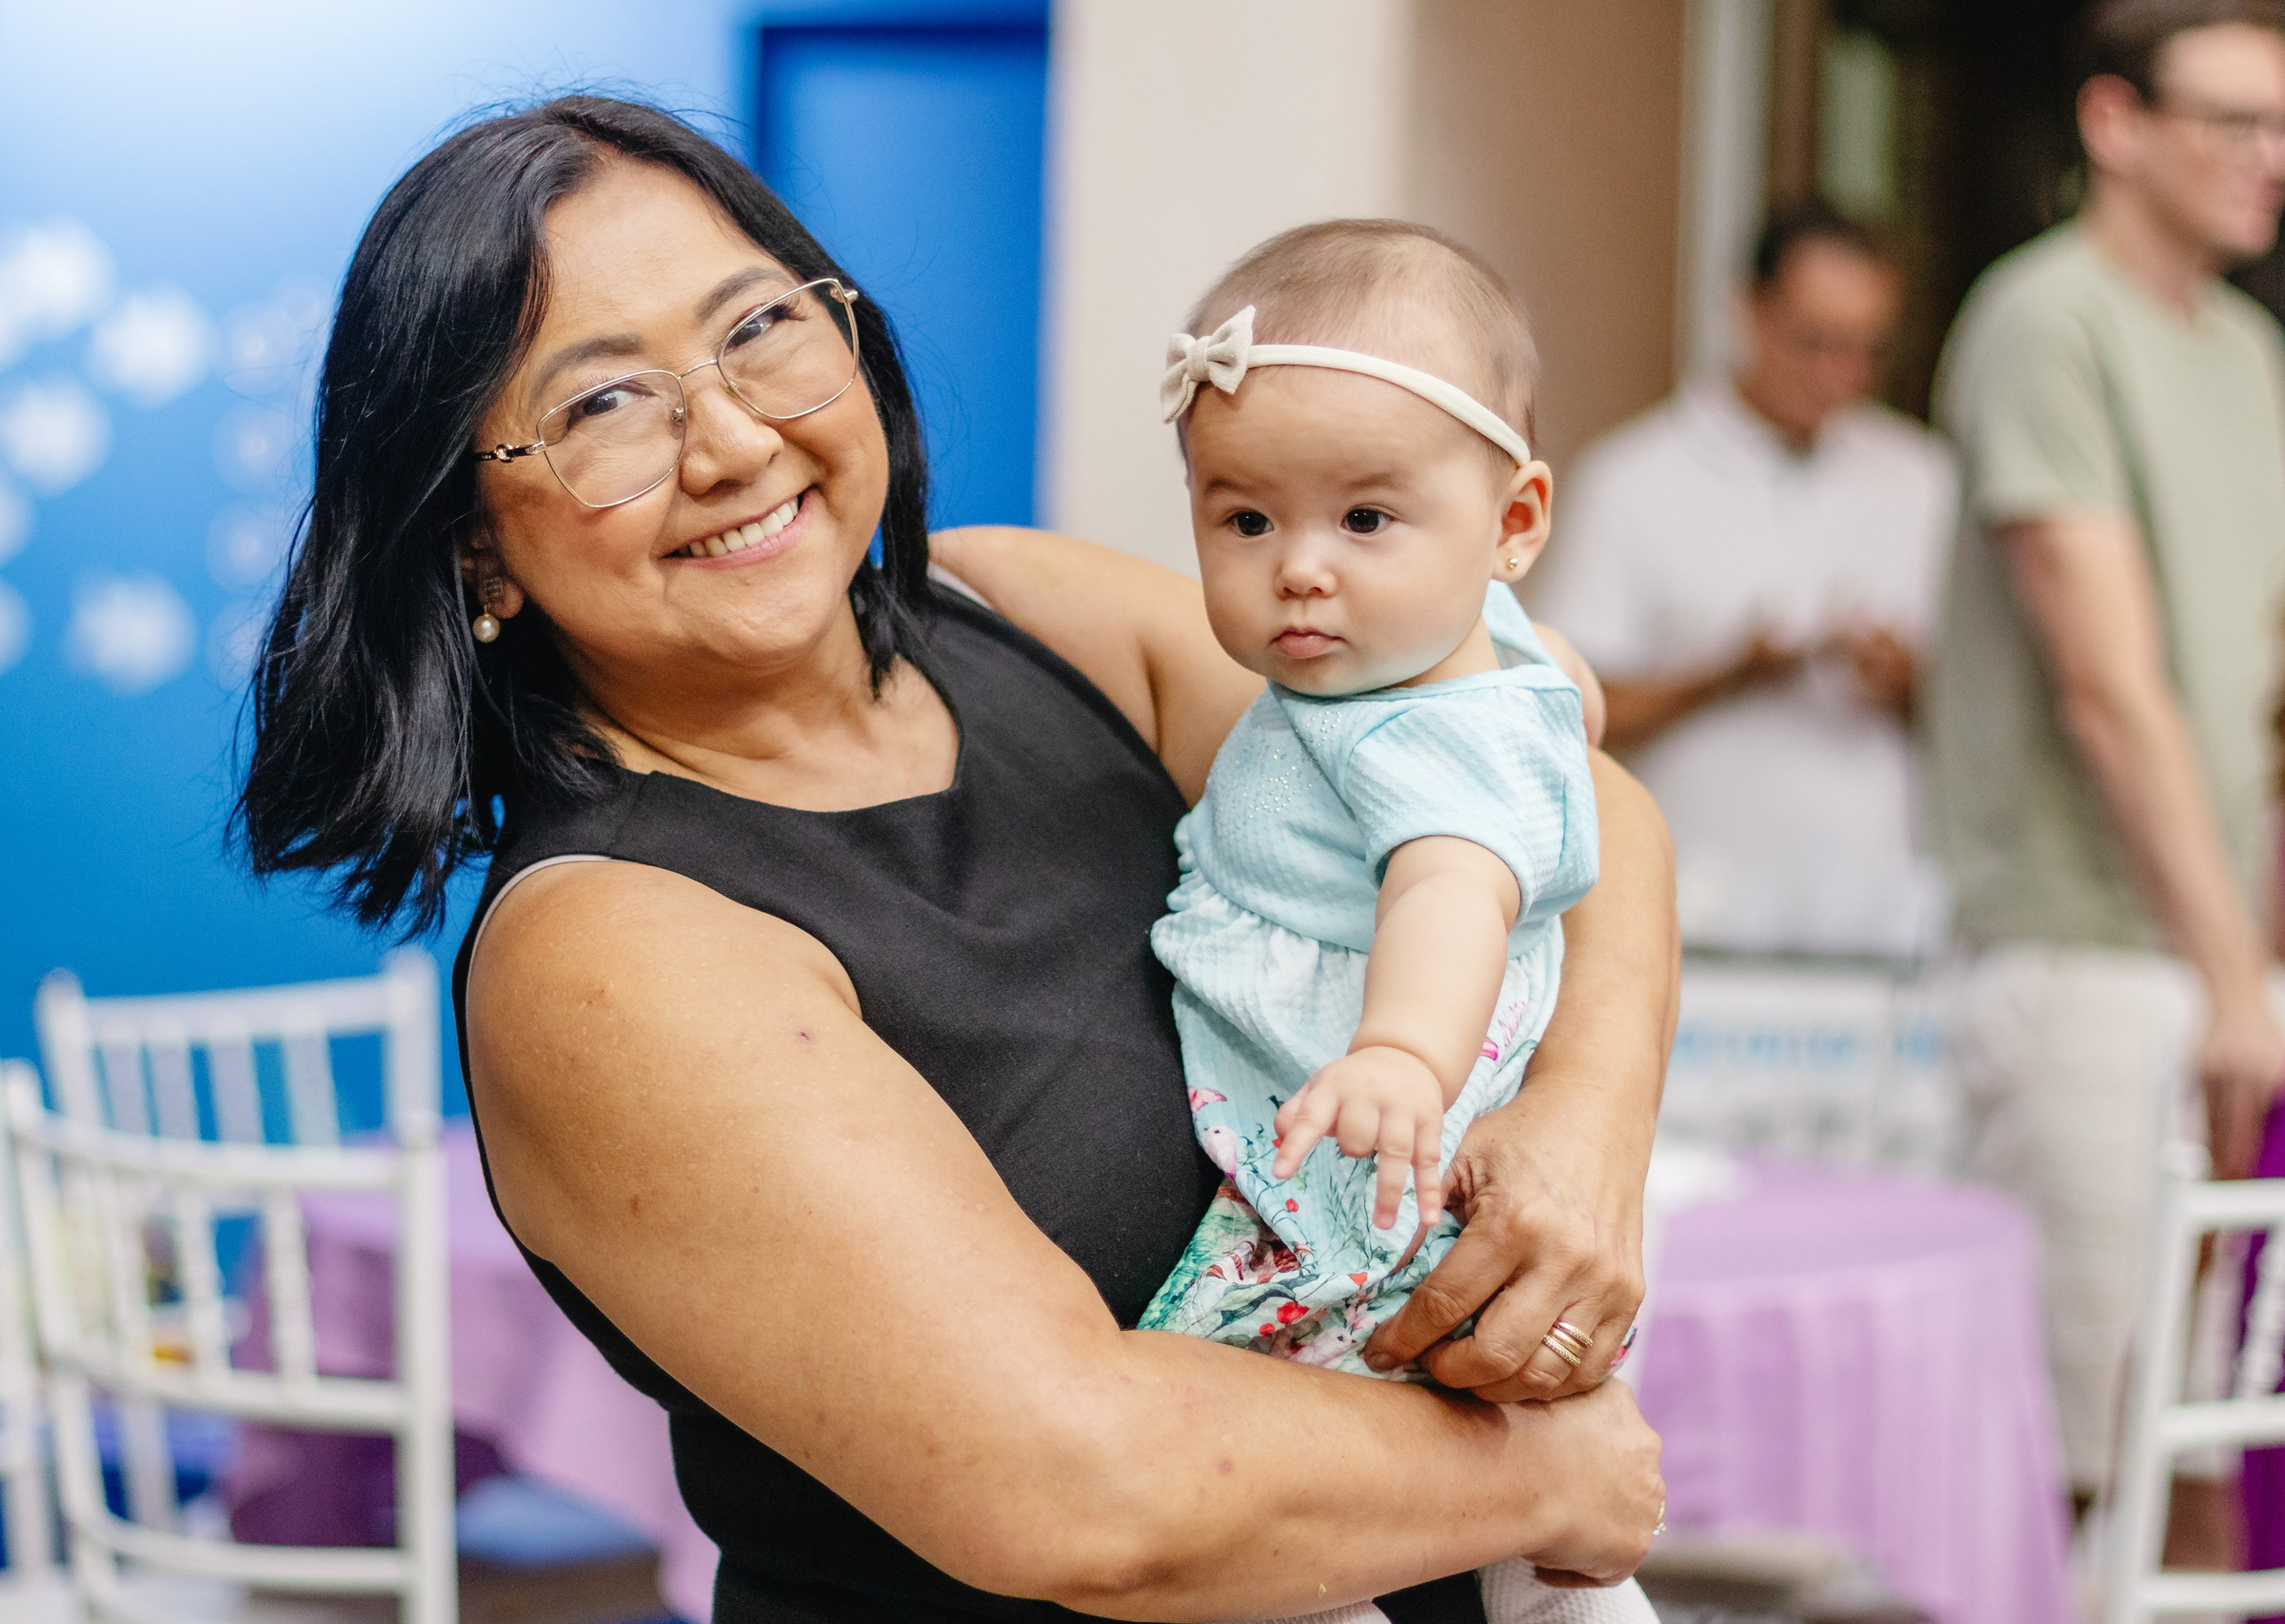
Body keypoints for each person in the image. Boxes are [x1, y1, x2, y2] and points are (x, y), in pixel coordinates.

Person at [235, 96, 1673, 1621]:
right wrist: (1546, 1483)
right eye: (603, 410)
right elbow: (1082, 1483)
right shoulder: (605, 948)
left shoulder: (1030, 613)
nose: (729, 440)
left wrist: (1582, 1125)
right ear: (471, 540)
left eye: (759, 332)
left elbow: (1555, 789)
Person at [942, 223, 1655, 1624]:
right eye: (1245, 518)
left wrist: (1398, 1049)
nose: (1300, 569)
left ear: (1514, 522)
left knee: (1287, 1460)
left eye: (1365, 519)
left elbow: (1453, 883)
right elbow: (1564, 698)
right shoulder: (1461, 653)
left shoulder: (1427, 738)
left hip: (1366, 1149)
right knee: (1495, 1514)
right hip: (1379, 1117)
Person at [1927, 0, 2285, 1508]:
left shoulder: (2253, 348)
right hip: (2089, 962)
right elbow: (2108, 689)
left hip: (2218, 962)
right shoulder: (2046, 315)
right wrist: (2230, 982)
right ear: (2113, 123)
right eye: (2237, 120)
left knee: (2205, 1445)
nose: (2272, 160)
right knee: (2087, 1466)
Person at [1529, 202, 1954, 960]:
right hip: (1692, 915)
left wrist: (1907, 680)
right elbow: (1565, 709)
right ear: (1748, 313)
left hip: (1884, 922)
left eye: (1864, 350)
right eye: (1815, 343)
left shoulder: (1923, 480)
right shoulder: (1635, 478)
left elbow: (1994, 718)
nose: (1838, 376)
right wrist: (1726, 676)